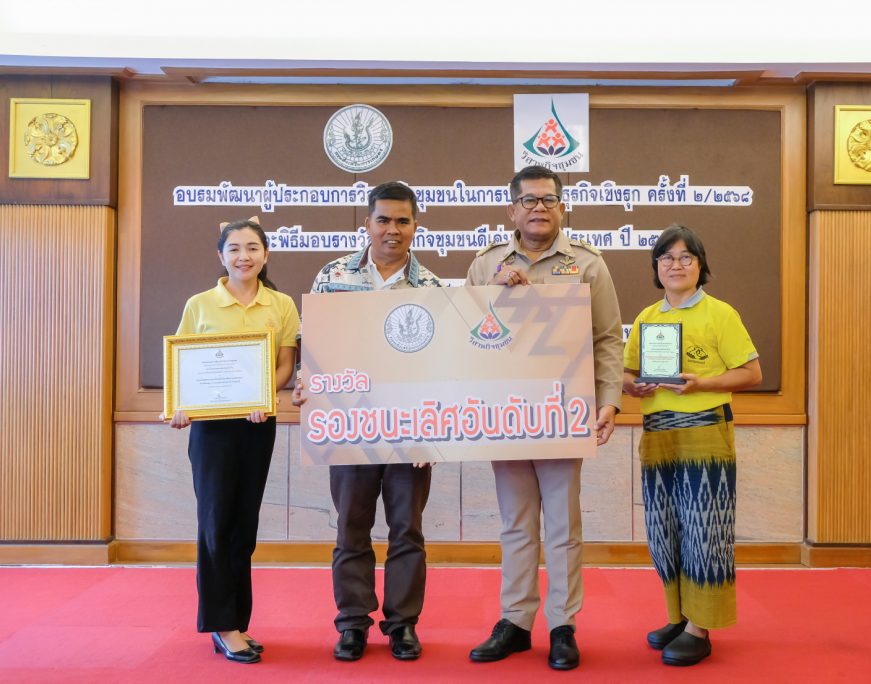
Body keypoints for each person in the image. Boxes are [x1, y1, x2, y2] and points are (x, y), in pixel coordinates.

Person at [465, 165, 623, 671]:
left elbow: (607, 338)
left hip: (563, 412)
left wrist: (609, 400)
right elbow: (464, 334)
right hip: (507, 415)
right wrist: (490, 295)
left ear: (562, 207)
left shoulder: (587, 264)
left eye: (548, 200)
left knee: (562, 526)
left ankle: (562, 625)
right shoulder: (485, 264)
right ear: (512, 210)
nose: (539, 208)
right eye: (529, 200)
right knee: (515, 524)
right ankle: (514, 621)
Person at [291, 181, 443, 662]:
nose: (391, 229)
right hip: (347, 426)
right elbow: (311, 346)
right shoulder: (333, 275)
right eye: (383, 220)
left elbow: (441, 367)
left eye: (402, 221)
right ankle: (352, 623)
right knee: (351, 529)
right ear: (367, 224)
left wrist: (431, 432)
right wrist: (306, 383)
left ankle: (402, 624)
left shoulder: (432, 287)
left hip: (409, 431)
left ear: (415, 226)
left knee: (407, 530)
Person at [622, 224, 762, 666]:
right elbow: (627, 373)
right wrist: (633, 387)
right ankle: (678, 616)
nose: (676, 265)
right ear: (656, 267)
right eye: (667, 258)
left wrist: (702, 383)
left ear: (701, 266)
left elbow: (752, 373)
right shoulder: (647, 317)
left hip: (705, 429)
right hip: (658, 431)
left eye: (686, 257)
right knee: (664, 529)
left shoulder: (720, 313)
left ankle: (701, 627)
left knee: (705, 529)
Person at [168, 218, 299, 664]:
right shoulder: (200, 304)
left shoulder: (281, 304)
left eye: (253, 248)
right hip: (212, 430)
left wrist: (264, 394)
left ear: (266, 255)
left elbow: (285, 365)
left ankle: (236, 622)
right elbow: (183, 365)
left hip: (257, 424)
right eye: (235, 248)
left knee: (243, 527)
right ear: (221, 256)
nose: (244, 256)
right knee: (216, 525)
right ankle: (222, 625)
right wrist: (182, 405)